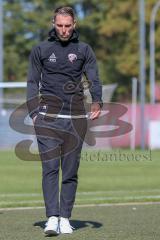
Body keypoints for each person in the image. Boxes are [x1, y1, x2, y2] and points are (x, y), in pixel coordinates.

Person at [27, 6, 103, 236]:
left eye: (67, 26)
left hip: (76, 118)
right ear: (53, 23)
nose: (63, 30)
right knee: (50, 168)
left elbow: (94, 76)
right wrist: (33, 112)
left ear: (74, 25)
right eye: (59, 25)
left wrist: (97, 100)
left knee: (70, 172)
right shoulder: (40, 49)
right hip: (47, 118)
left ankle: (65, 218)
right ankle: (52, 218)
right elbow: (32, 81)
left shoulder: (84, 49)